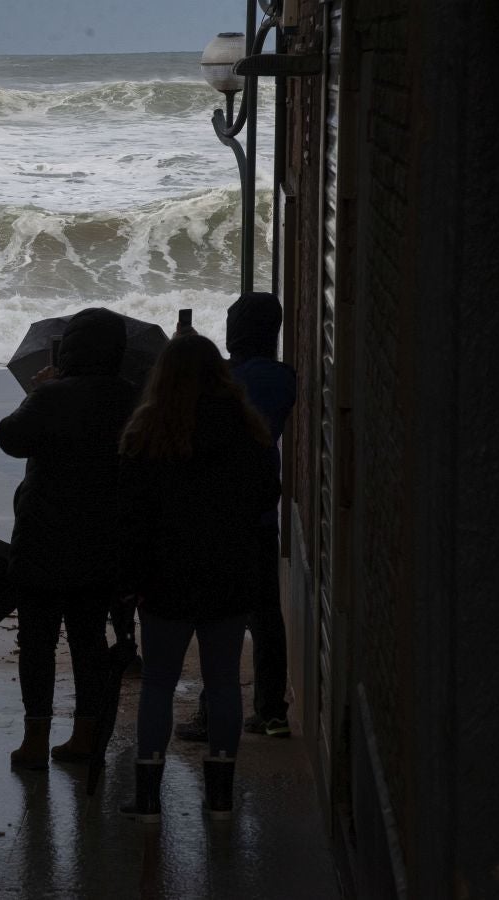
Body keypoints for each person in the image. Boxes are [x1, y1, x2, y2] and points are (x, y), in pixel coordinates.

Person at [116, 334, 280, 822]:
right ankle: (221, 797)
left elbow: (131, 517)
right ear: (219, 372)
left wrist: (129, 581)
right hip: (229, 575)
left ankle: (147, 797)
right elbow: (265, 499)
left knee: (159, 684)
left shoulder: (147, 432)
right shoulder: (248, 430)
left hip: (165, 578)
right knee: (224, 681)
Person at [0, 308, 139, 770]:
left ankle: (35, 740)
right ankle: (84, 735)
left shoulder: (51, 396)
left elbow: (11, 439)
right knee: (89, 640)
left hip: (42, 538)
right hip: (101, 539)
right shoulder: (133, 400)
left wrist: (38, 392)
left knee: (37, 642)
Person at [175, 291, 297, 742]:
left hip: (217, 514)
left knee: (217, 617)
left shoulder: (222, 381)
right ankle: (272, 713)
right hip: (261, 511)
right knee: (266, 615)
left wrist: (186, 357)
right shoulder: (283, 379)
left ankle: (212, 714)